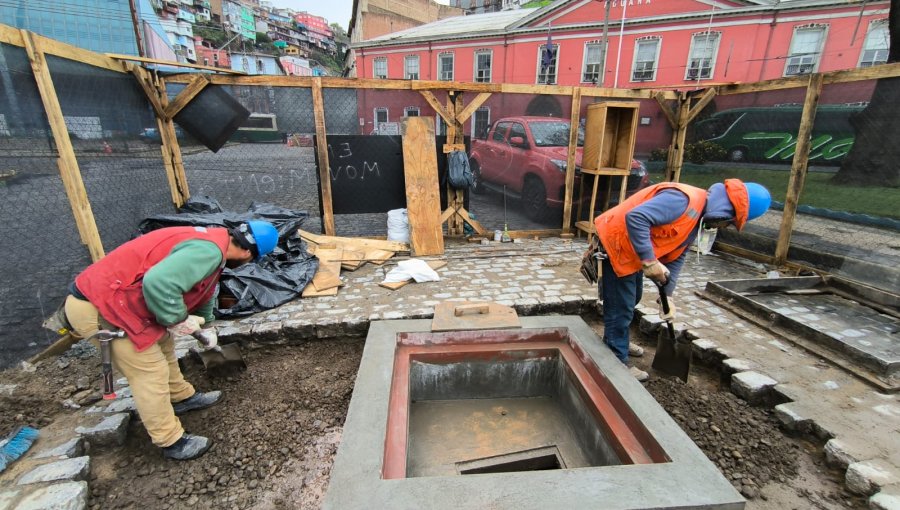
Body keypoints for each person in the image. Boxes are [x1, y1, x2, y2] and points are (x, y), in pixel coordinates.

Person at [64, 221, 279, 460]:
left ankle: (181, 397)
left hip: (124, 301)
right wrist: (178, 319)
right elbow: (158, 282)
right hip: (101, 307)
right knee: (149, 370)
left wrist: (206, 325)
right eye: (251, 260)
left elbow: (204, 288)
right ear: (248, 252)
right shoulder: (209, 251)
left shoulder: (216, 243)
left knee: (165, 343)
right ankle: (170, 441)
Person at [593, 179, 771, 382]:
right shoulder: (682, 200)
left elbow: (677, 256)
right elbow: (636, 217)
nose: (725, 226)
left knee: (633, 298)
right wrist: (649, 260)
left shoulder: (697, 217)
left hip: (632, 251)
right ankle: (616, 360)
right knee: (621, 306)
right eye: (730, 222)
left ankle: (616, 340)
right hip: (617, 244)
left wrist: (667, 295)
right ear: (727, 210)